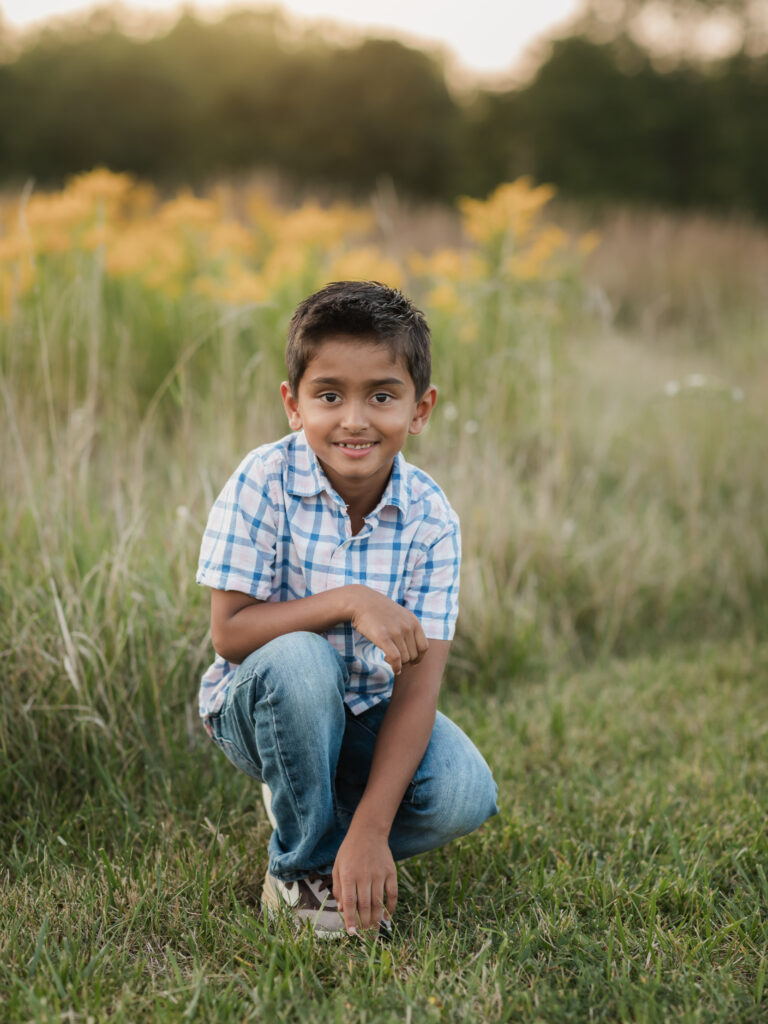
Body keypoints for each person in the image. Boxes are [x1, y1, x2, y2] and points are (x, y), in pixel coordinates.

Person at [196, 280, 498, 938]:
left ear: (420, 410)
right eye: (329, 395)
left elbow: (418, 690)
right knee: (305, 660)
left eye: (382, 396)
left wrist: (373, 828)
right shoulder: (261, 481)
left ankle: (339, 839)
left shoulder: (432, 520)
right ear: (293, 405)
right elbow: (229, 635)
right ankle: (301, 871)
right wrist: (350, 601)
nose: (355, 420)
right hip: (262, 704)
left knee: (466, 793)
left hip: (367, 713)